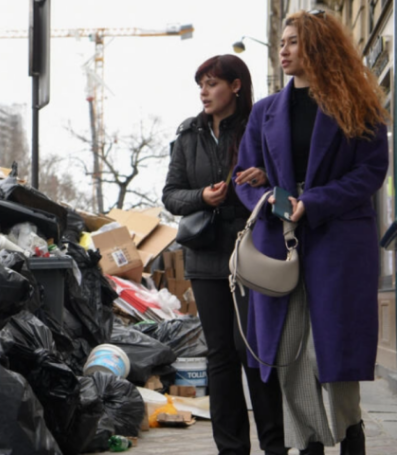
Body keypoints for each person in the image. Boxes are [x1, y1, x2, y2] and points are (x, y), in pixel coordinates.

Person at [233, 9, 389, 455]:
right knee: (288, 352)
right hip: (278, 242)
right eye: (281, 41)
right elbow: (245, 173)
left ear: (318, 47)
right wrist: (269, 197)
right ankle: (310, 446)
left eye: (294, 41)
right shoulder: (265, 113)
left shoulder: (356, 105)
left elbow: (371, 172)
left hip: (338, 241)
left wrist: (313, 203)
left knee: (332, 355)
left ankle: (350, 433)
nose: (283, 49)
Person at [162, 54, 287, 455]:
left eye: (213, 83)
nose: (204, 91)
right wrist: (201, 196)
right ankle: (231, 448)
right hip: (205, 254)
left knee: (251, 349)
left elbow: (285, 182)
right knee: (220, 355)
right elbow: (171, 195)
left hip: (253, 250)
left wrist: (267, 178)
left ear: (235, 86)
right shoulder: (188, 135)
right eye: (201, 83)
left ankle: (274, 444)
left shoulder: (262, 124)